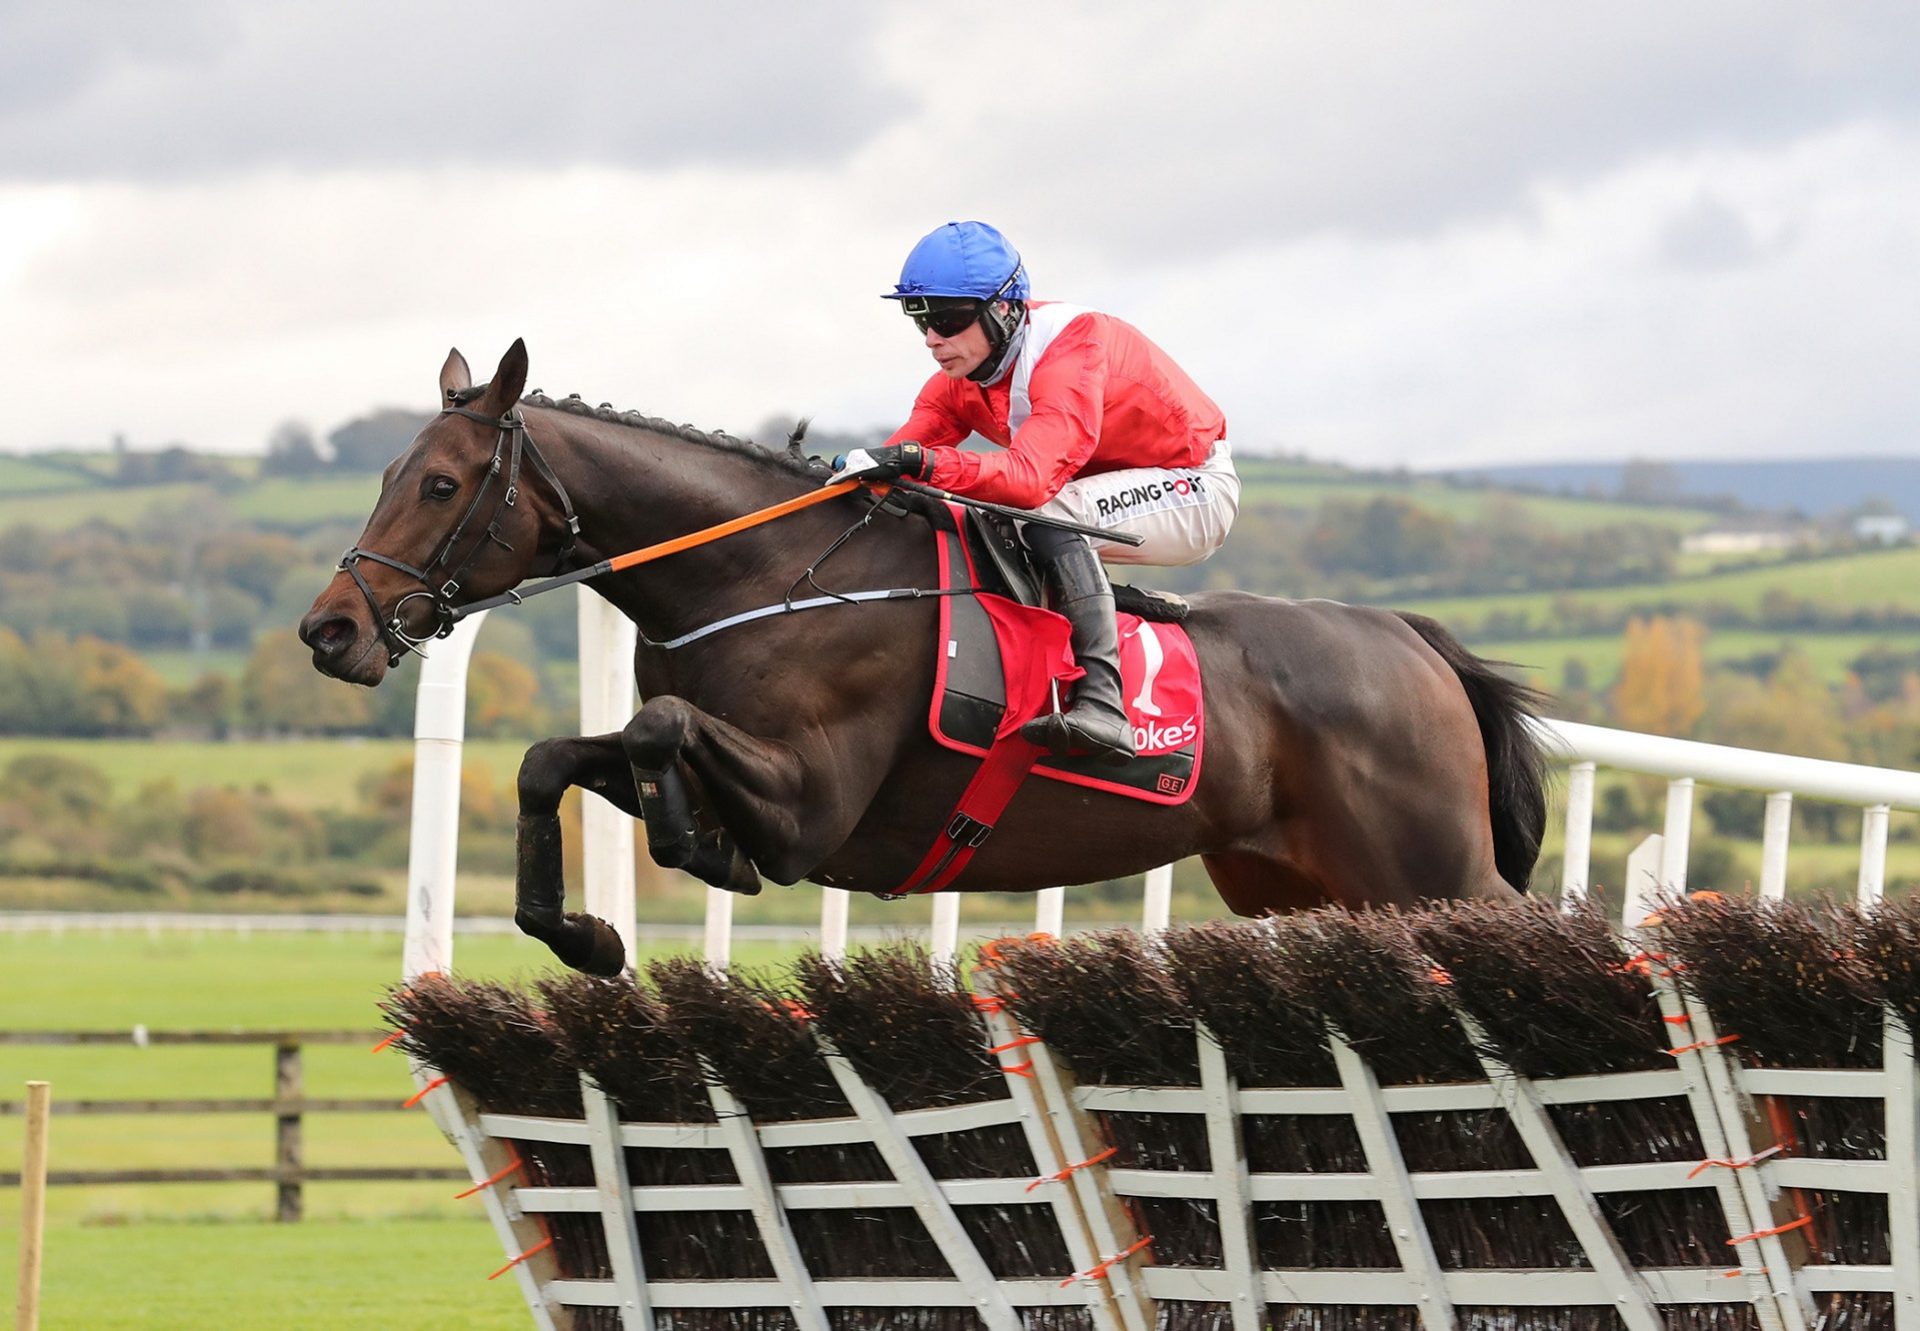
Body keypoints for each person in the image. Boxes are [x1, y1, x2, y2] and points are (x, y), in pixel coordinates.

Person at [829, 220, 1240, 764]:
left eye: (948, 320)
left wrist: (922, 463)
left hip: (1194, 486)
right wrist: (847, 475)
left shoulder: (1073, 349)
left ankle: (1104, 704)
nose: (932, 339)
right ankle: (1108, 611)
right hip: (1104, 490)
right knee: (973, 516)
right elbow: (897, 459)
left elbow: (1028, 479)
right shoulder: (961, 379)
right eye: (920, 319)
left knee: (1048, 513)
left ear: (1004, 309)